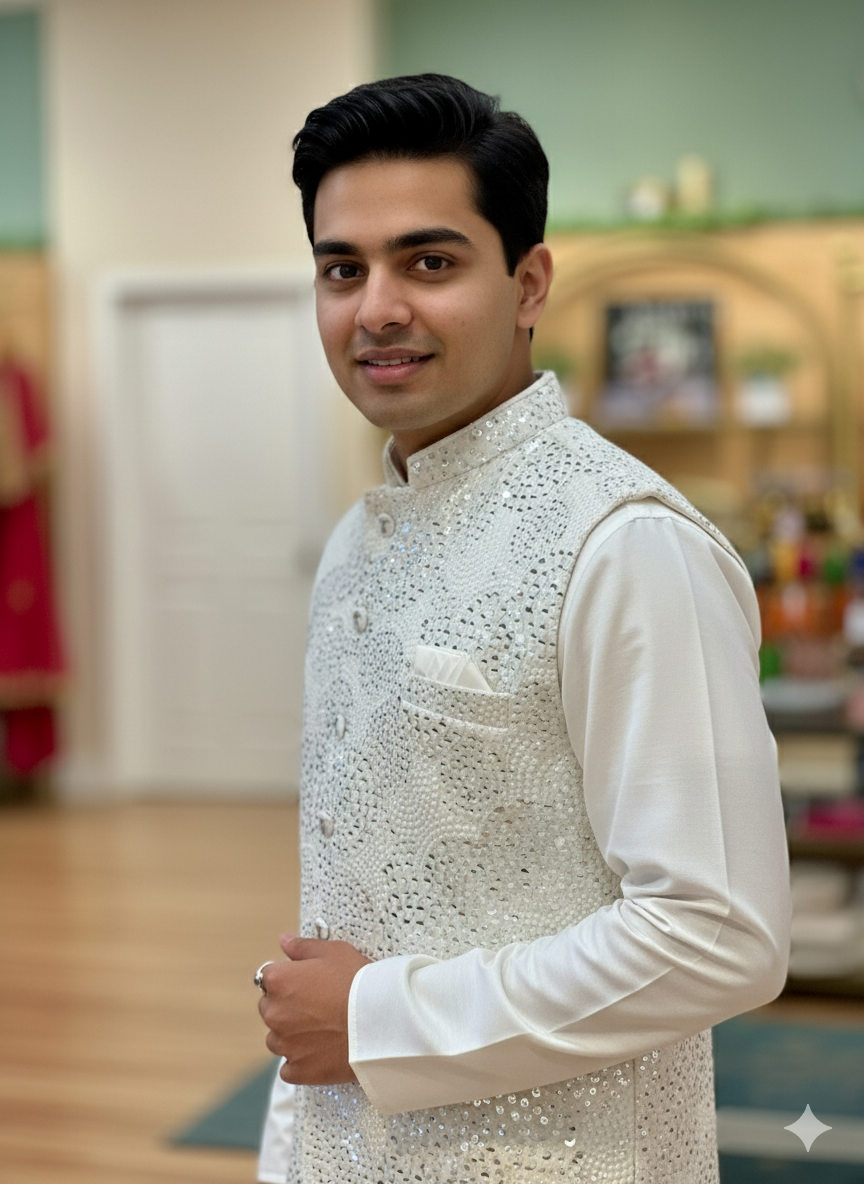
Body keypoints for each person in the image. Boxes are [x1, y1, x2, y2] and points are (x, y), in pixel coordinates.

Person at [256, 74, 790, 1184]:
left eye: (431, 261)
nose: (378, 307)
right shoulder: (361, 537)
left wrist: (376, 1017)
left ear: (529, 279)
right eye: (341, 268)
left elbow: (720, 931)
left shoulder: (628, 543)